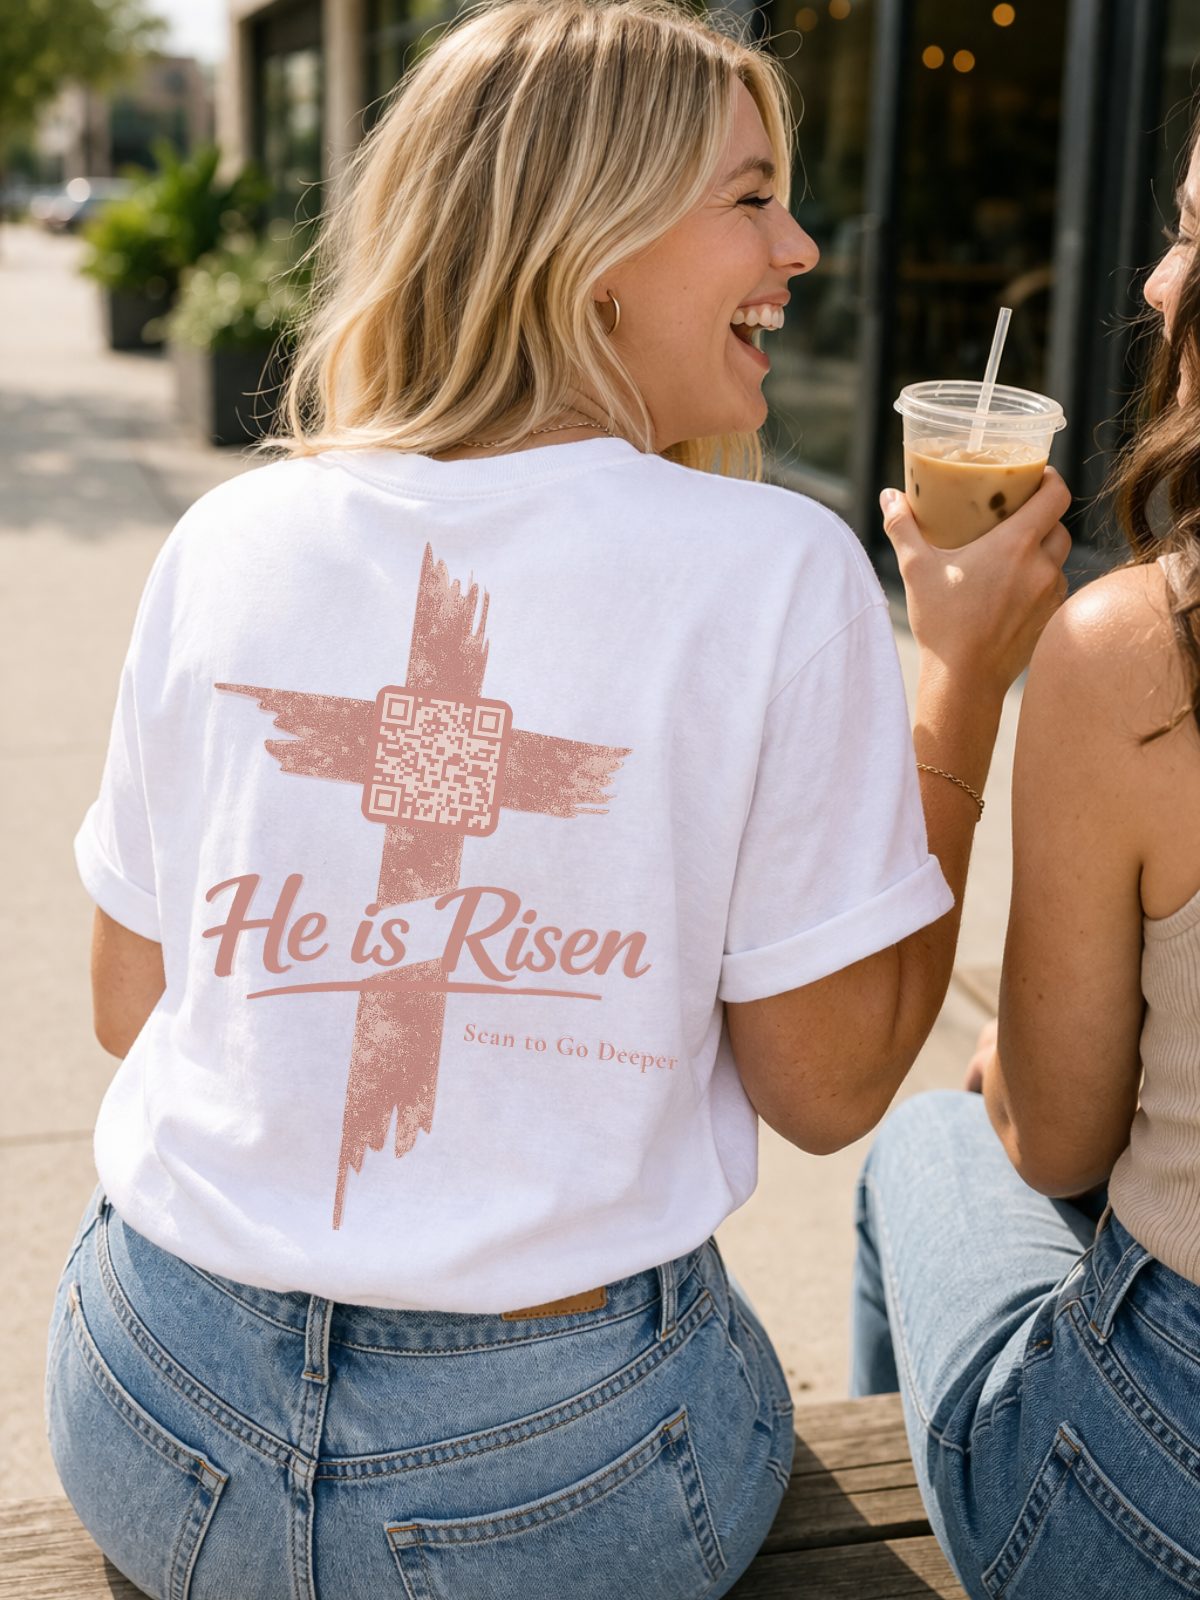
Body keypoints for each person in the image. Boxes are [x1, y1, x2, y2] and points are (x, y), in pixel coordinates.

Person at [46, 3, 1068, 1596]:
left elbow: (134, 1006)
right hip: (554, 1479)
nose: (801, 247)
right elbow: (829, 1088)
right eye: (750, 198)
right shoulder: (775, 573)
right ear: (595, 250)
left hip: (151, 1407)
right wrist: (965, 680)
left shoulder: (229, 540)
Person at [851, 110, 1200, 1600]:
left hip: (1159, 1493)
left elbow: (1053, 1143)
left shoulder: (1143, 654)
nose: (1160, 283)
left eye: (1193, 234)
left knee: (922, 1141)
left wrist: (964, 672)